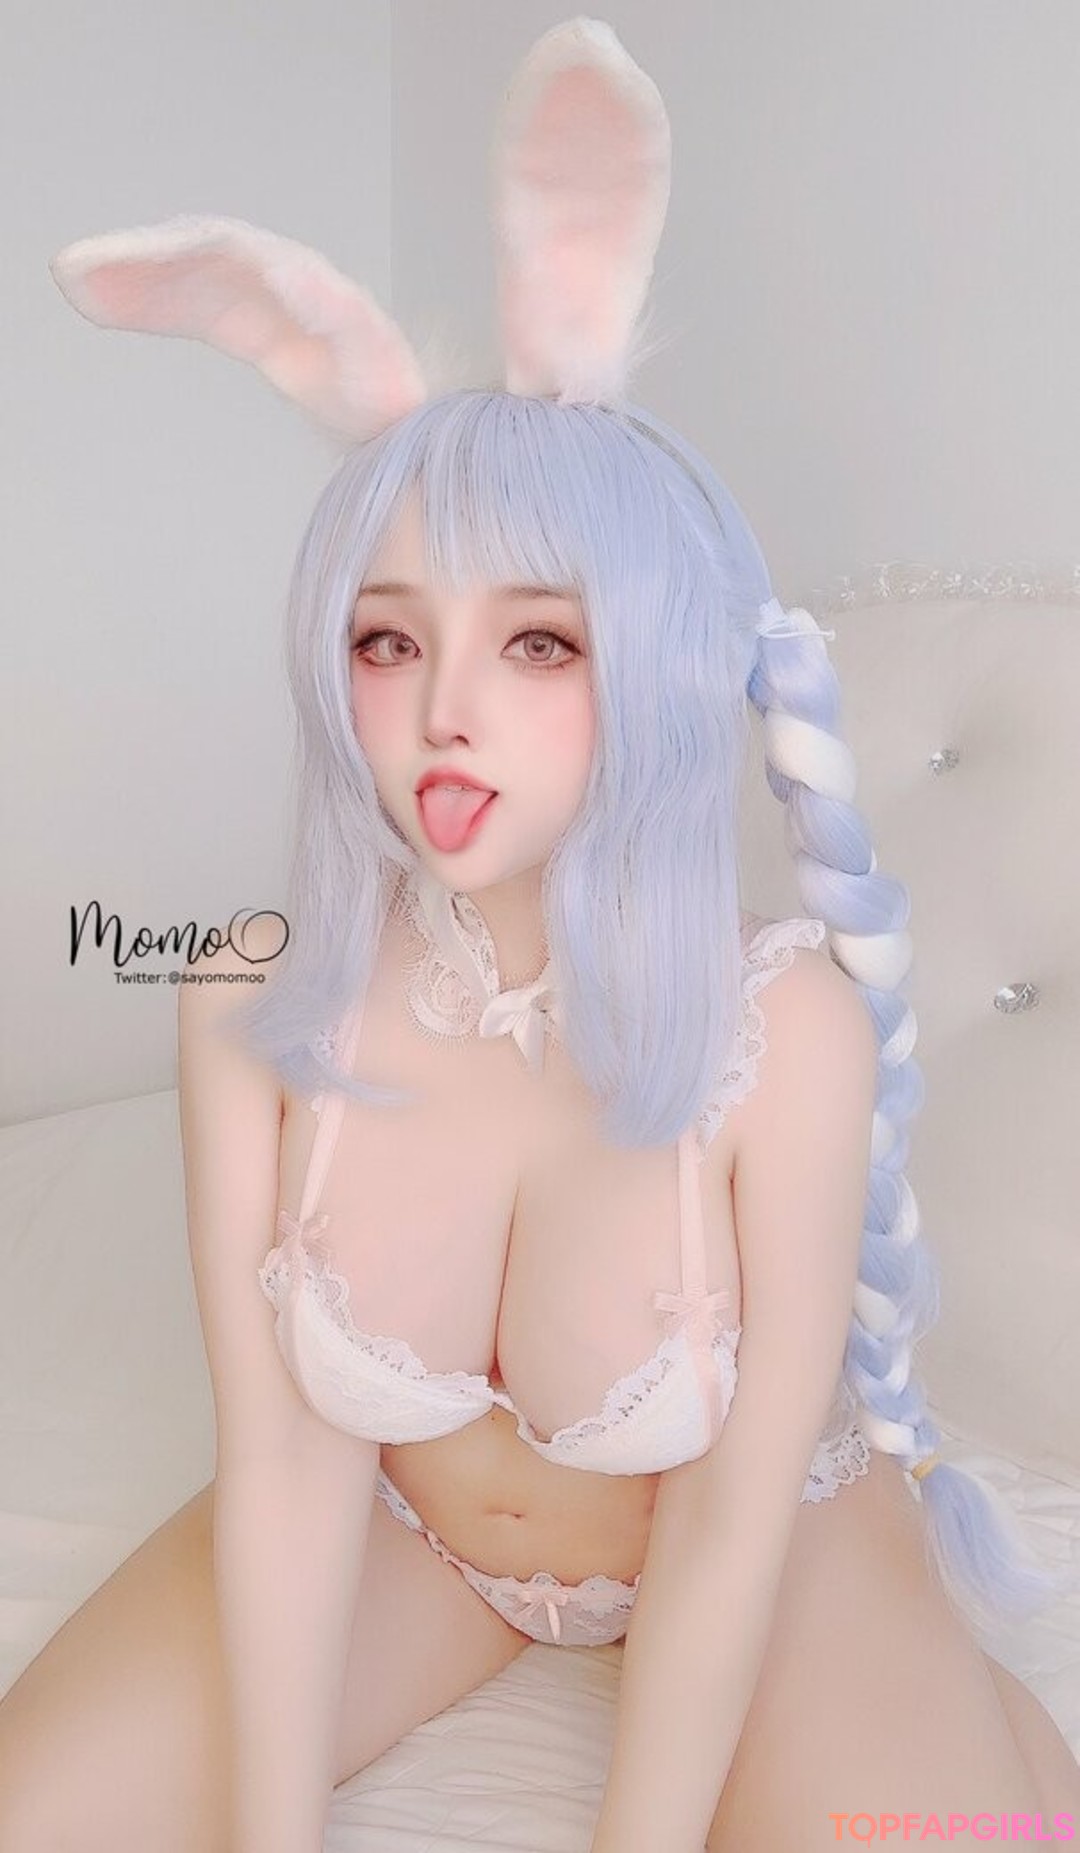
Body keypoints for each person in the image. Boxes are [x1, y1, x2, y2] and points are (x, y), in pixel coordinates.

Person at [4, 16, 1077, 1853]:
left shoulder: (782, 1033)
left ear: (646, 665)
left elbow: (725, 1523)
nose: (445, 711)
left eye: (537, 641)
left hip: (766, 1546)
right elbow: (286, 1468)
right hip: (428, 1547)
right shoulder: (256, 994)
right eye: (389, 638)